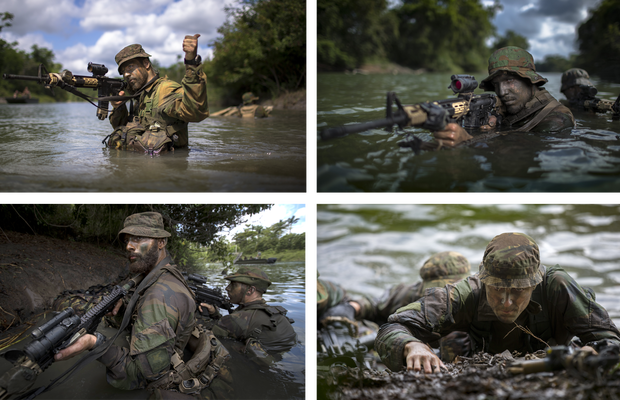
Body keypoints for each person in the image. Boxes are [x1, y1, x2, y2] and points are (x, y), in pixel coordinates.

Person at [375, 232, 620, 373]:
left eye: (517, 291)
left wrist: (593, 349)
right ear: (483, 281)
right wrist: (411, 346)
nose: (506, 301)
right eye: (497, 289)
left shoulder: (557, 285)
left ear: (535, 284)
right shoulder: (467, 292)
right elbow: (393, 327)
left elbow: (609, 338)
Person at [55, 212, 233, 400]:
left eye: (138, 239)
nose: (129, 246)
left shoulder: (158, 297)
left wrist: (94, 343)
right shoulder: (165, 273)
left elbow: (139, 377)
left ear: (161, 242)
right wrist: (125, 302)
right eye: (127, 240)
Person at [433, 47, 575, 148]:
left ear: (530, 81)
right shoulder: (509, 107)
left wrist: (470, 140)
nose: (501, 91)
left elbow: (522, 153)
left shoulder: (555, 120)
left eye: (509, 81)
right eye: (496, 84)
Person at [105, 35, 209, 153]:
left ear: (146, 64)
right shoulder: (140, 96)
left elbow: (195, 113)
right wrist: (118, 107)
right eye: (123, 71)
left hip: (169, 168)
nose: (126, 75)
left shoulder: (165, 90)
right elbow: (123, 128)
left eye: (130, 67)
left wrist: (191, 64)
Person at [199, 266, 296, 365]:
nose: (227, 288)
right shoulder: (268, 311)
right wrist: (215, 313)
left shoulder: (239, 318)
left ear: (250, 290)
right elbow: (233, 326)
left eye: (233, 285)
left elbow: (203, 330)